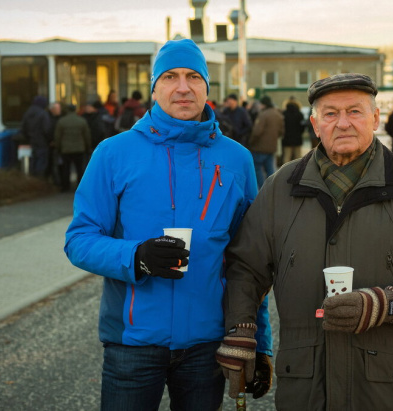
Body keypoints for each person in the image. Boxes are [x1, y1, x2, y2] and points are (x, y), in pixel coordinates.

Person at [216, 73, 393, 409]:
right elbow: (245, 268)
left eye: (355, 112)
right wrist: (241, 328)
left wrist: (385, 303)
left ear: (375, 119)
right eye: (331, 114)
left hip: (386, 392)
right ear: (315, 124)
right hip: (306, 390)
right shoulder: (280, 188)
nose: (343, 123)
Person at [63, 38, 273, 411]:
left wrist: (260, 342)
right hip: (133, 344)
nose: (183, 87)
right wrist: (136, 257)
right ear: (155, 87)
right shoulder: (113, 153)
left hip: (206, 346)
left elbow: (251, 261)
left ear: (207, 87)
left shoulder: (236, 159)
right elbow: (79, 239)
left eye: (194, 76)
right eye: (171, 76)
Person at [248, 95, 284, 188]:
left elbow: (257, 132)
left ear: (263, 104)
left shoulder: (263, 115)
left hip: (260, 147)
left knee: (257, 168)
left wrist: (251, 142)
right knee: (270, 168)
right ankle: (272, 188)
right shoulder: (278, 114)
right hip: (272, 146)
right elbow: (281, 131)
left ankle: (262, 188)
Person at [54, 104, 91, 192]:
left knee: (66, 169)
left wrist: (58, 147)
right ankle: (81, 186)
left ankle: (65, 186)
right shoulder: (82, 121)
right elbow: (87, 136)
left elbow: (57, 137)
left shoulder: (61, 121)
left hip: (66, 149)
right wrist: (87, 147)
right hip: (79, 148)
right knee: (80, 168)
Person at [20, 95, 51, 177]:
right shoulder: (43, 114)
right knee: (42, 161)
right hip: (42, 142)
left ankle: (33, 179)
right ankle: (40, 179)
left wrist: (28, 138)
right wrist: (49, 140)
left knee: (33, 160)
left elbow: (23, 128)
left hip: (32, 141)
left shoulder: (27, 113)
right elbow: (46, 129)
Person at [282, 98, 305, 164]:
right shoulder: (300, 114)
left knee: (287, 157)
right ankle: (299, 173)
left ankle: (285, 173)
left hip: (287, 138)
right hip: (297, 138)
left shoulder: (284, 113)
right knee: (298, 157)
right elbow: (302, 127)